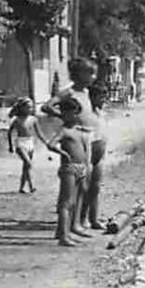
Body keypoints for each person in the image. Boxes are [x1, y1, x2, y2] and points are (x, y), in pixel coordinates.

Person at [44, 59, 107, 229]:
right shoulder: (69, 93)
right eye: (89, 73)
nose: (93, 77)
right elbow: (47, 106)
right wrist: (64, 116)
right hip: (80, 143)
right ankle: (78, 220)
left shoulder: (89, 92)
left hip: (97, 140)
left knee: (95, 185)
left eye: (93, 73)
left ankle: (92, 218)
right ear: (77, 74)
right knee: (82, 184)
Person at [47, 95, 94, 246]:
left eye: (74, 112)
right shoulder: (64, 130)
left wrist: (87, 168)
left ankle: (70, 228)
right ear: (63, 114)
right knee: (66, 202)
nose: (71, 115)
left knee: (77, 201)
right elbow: (51, 144)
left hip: (81, 167)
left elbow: (87, 150)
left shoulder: (80, 131)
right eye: (67, 113)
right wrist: (63, 154)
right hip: (69, 168)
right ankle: (64, 236)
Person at [7, 98, 42, 194]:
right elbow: (10, 132)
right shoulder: (17, 120)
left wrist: (46, 142)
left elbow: (39, 133)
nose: (30, 109)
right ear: (22, 108)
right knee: (28, 163)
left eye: (31, 107)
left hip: (30, 142)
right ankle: (32, 186)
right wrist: (11, 146)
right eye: (28, 107)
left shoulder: (33, 119)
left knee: (26, 167)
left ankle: (22, 187)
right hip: (20, 143)